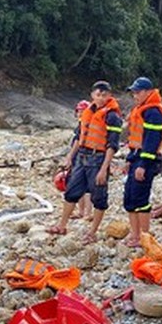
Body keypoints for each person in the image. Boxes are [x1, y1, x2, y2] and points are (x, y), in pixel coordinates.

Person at [47, 96, 102, 236]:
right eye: (78, 111)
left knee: (87, 188)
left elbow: (78, 141)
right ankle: (82, 212)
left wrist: (70, 157)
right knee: (79, 189)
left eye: (81, 111)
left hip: (85, 158)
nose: (79, 113)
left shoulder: (88, 123)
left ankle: (86, 213)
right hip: (83, 157)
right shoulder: (83, 123)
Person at [122, 77, 162, 248]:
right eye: (133, 92)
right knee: (130, 198)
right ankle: (135, 235)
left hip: (146, 160)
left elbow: (152, 140)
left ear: (149, 92)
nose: (135, 95)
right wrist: (129, 160)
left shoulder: (153, 112)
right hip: (136, 156)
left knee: (141, 200)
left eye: (138, 92)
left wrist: (142, 164)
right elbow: (135, 139)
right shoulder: (142, 109)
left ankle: (144, 237)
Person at [76, 81, 123, 244]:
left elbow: (113, 144)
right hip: (83, 156)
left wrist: (104, 168)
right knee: (74, 190)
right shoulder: (87, 113)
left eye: (104, 95)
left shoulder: (112, 116)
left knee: (99, 196)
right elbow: (78, 137)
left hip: (98, 158)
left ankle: (92, 231)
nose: (101, 98)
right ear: (92, 95)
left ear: (110, 96)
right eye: (98, 94)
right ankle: (63, 223)